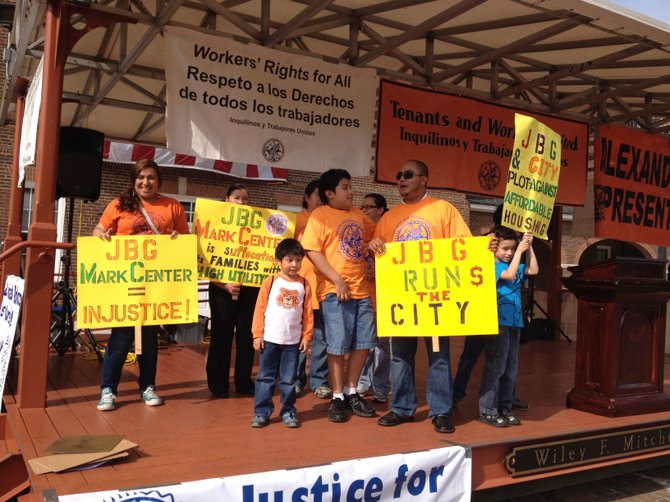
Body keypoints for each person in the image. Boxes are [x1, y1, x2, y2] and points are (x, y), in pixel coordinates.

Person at [369, 159, 495, 433]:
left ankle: (441, 410)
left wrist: (486, 246)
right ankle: (402, 408)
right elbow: (379, 255)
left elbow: (462, 246)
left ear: (424, 178)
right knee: (400, 356)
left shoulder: (443, 210)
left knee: (439, 356)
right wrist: (374, 244)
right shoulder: (389, 218)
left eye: (408, 174)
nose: (401, 179)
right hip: (402, 301)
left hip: (436, 300)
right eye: (399, 175)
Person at [94, 159, 189, 411]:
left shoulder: (173, 206)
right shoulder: (118, 204)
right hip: (125, 280)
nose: (145, 182)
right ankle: (108, 390)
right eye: (141, 177)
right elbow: (99, 230)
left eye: (151, 178)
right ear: (134, 180)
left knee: (148, 336)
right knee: (121, 335)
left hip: (156, 283)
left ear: (158, 181)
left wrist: (176, 239)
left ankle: (148, 386)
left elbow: (186, 241)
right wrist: (101, 237)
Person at [301, 169, 377, 423]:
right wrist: (336, 279)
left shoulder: (357, 214)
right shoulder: (319, 216)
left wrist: (373, 244)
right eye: (345, 187)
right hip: (335, 292)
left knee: (363, 343)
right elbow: (312, 250)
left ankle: (351, 391)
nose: (351, 191)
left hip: (362, 290)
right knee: (337, 345)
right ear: (329, 193)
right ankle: (336, 396)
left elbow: (372, 236)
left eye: (350, 186)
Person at [453, 204, 529, 411]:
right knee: (472, 354)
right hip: (483, 308)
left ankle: (508, 396)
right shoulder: (486, 241)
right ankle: (456, 394)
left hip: (504, 312)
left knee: (505, 360)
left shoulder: (515, 242)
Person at [250, 238, 314, 428]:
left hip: (292, 342)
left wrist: (307, 336)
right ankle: (261, 412)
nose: (294, 264)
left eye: (298, 260)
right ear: (278, 261)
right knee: (265, 377)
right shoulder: (270, 282)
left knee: (289, 379)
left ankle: (288, 411)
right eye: (289, 260)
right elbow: (259, 308)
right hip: (269, 340)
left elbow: (308, 313)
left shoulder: (305, 284)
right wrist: (257, 334)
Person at [479, 228, 538, 427]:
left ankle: (505, 407)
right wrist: (520, 252)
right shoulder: (493, 266)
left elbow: (533, 270)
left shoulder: (513, 261)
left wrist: (529, 248)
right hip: (498, 324)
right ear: (495, 248)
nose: (509, 253)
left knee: (510, 369)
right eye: (505, 248)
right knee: (496, 368)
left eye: (512, 249)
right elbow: (510, 274)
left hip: (514, 324)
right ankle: (488, 410)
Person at [206, 184, 259, 398]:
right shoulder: (213, 222)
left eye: (245, 199)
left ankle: (244, 382)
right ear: (226, 198)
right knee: (221, 336)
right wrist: (224, 284)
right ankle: (218, 384)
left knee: (246, 337)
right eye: (236, 197)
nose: (241, 202)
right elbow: (204, 259)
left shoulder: (257, 226)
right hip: (221, 290)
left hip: (249, 289)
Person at [294, 180, 331, 399]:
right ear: (307, 197)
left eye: (324, 196)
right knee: (299, 337)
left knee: (321, 337)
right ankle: (296, 379)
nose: (320, 199)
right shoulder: (297, 220)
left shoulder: (329, 221)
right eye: (317, 195)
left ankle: (319, 380)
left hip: (324, 288)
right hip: (300, 288)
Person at [356, 193, 391, 403]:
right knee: (364, 343)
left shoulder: (389, 232)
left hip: (385, 297)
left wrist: (380, 273)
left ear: (380, 210)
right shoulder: (360, 232)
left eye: (369, 207)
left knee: (383, 346)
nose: (365, 211)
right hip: (363, 295)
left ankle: (380, 385)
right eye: (363, 207)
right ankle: (362, 381)